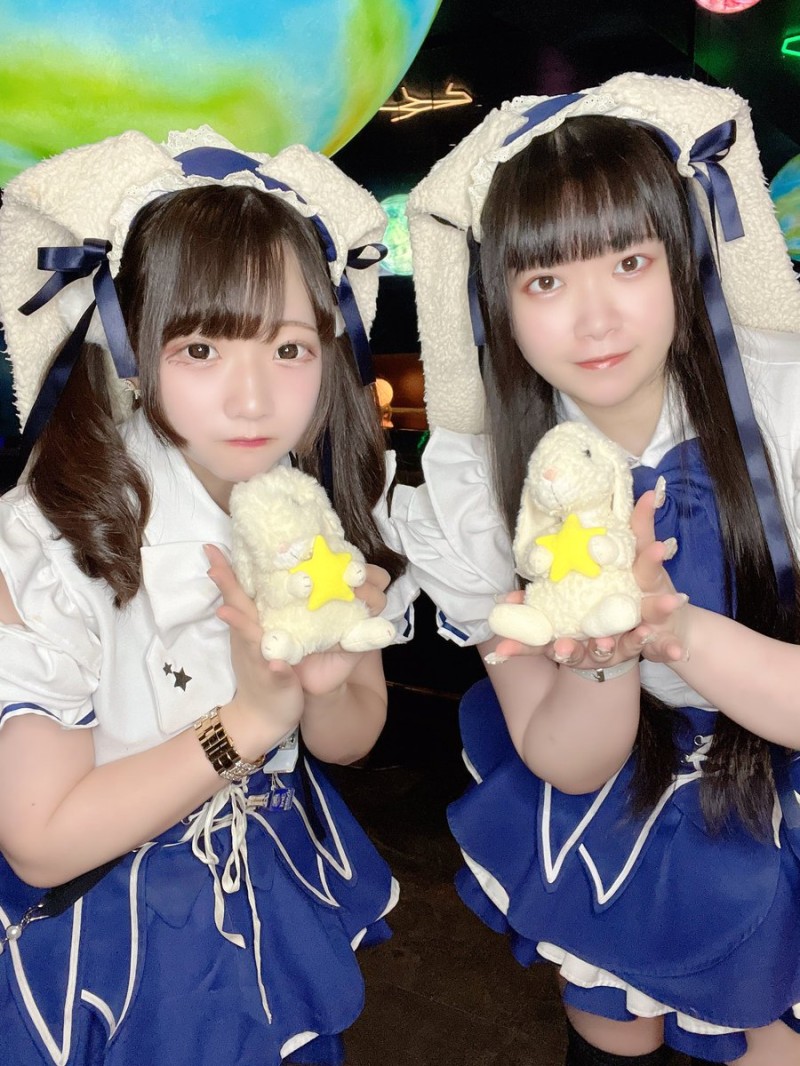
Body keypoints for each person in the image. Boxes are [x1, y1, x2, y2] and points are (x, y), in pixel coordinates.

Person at [392, 74, 800, 1064]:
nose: (595, 319)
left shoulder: (785, 410)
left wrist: (678, 629)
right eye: (545, 281)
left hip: (778, 771)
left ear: (682, 257)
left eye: (628, 260)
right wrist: (609, 657)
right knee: (617, 1035)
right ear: (497, 301)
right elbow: (568, 759)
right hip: (609, 798)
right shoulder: (480, 479)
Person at [0, 127, 415, 1065]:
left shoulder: (313, 505)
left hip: (266, 879)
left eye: (289, 348)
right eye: (200, 347)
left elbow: (349, 739)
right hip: (115, 934)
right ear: (128, 345)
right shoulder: (53, 534)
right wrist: (250, 720)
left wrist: (324, 680)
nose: (254, 400)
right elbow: (39, 839)